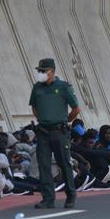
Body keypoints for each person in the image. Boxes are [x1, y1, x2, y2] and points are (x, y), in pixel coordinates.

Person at [29, 58, 80, 209]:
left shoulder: (63, 87)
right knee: (43, 165)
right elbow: (34, 107)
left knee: (64, 163)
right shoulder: (37, 87)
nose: (40, 73)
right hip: (43, 131)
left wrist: (64, 121)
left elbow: (76, 109)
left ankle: (70, 195)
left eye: (43, 71)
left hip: (60, 131)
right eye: (39, 71)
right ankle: (48, 199)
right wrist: (42, 119)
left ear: (52, 71)